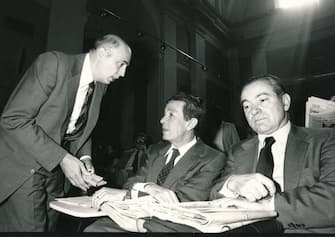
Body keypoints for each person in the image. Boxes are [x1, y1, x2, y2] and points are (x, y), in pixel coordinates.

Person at [0, 34, 132, 231]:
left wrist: (84, 158)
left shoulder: (100, 88)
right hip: (25, 169)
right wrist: (63, 158)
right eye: (121, 64)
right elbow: (13, 119)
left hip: (56, 177)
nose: (122, 74)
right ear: (104, 52)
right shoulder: (53, 64)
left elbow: (76, 128)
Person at [210, 74, 335, 233]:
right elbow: (214, 193)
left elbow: (331, 198)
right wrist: (231, 184)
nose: (254, 111)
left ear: (285, 102)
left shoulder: (326, 139)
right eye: (247, 106)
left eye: (262, 100)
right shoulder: (238, 150)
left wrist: (264, 207)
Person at [84, 92, 226, 232]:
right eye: (164, 114)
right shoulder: (155, 151)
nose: (162, 120)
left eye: (171, 115)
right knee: (93, 229)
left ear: (190, 123)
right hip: (131, 217)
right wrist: (148, 187)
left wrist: (126, 195)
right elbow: (130, 183)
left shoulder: (212, 158)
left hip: (168, 226)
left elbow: (182, 202)